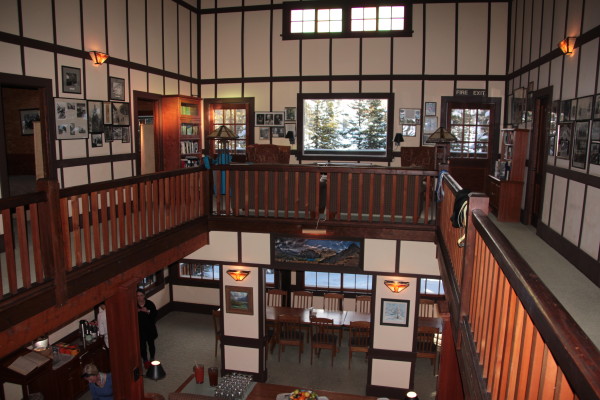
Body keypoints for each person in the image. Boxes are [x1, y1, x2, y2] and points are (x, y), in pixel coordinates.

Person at [137, 289, 158, 369]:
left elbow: (155, 314)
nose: (139, 298)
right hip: (140, 330)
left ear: (144, 296)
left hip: (149, 328)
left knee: (151, 344)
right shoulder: (134, 305)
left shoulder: (149, 303)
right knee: (142, 346)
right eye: (137, 296)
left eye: (141, 295)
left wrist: (148, 311)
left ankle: (152, 357)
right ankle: (145, 360)